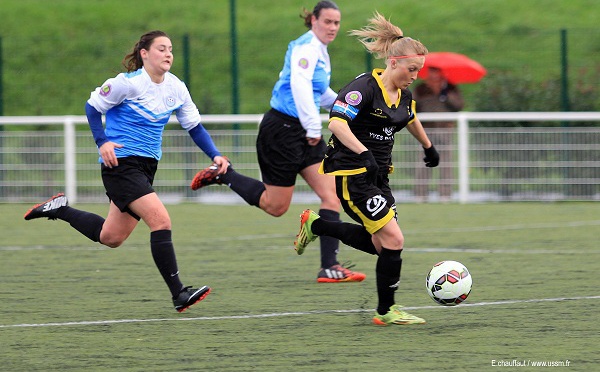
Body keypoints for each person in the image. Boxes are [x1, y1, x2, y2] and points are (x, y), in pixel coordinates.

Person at [23, 30, 228, 312]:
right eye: (161, 49)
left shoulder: (177, 88)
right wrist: (102, 141)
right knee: (161, 220)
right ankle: (179, 293)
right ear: (144, 54)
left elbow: (194, 126)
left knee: (111, 237)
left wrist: (215, 155)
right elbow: (93, 107)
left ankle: (59, 209)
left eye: (170, 49)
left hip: (146, 167)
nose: (168, 54)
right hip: (120, 164)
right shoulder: (126, 84)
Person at [190, 1, 366, 283]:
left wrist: (350, 109)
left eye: (337, 23)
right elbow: (299, 86)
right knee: (276, 206)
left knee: (331, 195)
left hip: (303, 131)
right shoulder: (305, 48)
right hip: (281, 131)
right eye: (328, 22)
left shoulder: (320, 51)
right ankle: (225, 174)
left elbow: (319, 94)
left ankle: (329, 266)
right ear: (313, 21)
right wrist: (312, 127)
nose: (333, 27)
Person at [293, 12, 439, 325]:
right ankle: (386, 312)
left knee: (381, 245)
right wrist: (363, 153)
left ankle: (317, 226)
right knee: (394, 240)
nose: (414, 76)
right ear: (394, 62)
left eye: (419, 71)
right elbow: (336, 122)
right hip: (352, 172)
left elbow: (409, 118)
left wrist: (428, 146)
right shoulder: (364, 88)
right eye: (411, 69)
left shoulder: (404, 95)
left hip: (378, 175)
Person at [412, 67, 464, 202]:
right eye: (431, 73)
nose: (434, 76)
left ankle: (445, 195)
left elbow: (459, 105)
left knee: (446, 163)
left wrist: (444, 93)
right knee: (424, 162)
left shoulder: (450, 88)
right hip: (425, 129)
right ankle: (421, 194)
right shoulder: (421, 89)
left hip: (445, 129)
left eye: (437, 73)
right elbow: (413, 105)